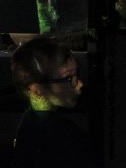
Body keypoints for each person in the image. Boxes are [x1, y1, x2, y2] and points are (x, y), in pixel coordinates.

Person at [9, 36, 97, 168]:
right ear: (37, 89)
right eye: (69, 78)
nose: (79, 84)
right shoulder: (67, 137)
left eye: (76, 75)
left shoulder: (29, 125)